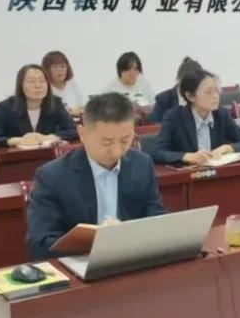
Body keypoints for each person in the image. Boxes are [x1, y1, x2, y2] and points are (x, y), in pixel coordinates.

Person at [26, 92, 166, 262]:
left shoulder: (141, 164)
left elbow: (156, 218)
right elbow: (41, 243)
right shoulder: (52, 177)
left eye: (125, 140)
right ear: (83, 134)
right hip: (81, 264)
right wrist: (101, 240)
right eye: (107, 142)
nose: (116, 151)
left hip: (132, 260)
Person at [150, 69, 240, 165]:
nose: (215, 96)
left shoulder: (221, 115)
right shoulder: (174, 117)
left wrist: (226, 148)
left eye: (216, 90)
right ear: (190, 96)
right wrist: (187, 156)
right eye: (208, 92)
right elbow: (158, 152)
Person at [0, 64, 78, 147]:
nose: (38, 86)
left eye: (42, 81)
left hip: (48, 154)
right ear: (21, 86)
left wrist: (48, 137)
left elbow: (74, 130)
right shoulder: (5, 107)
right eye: (32, 81)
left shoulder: (56, 104)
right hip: (16, 156)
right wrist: (18, 140)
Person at [148, 56, 203, 123]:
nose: (190, 87)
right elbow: (153, 124)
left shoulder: (205, 98)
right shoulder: (163, 99)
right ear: (178, 79)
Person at [41, 51, 86, 118]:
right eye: (55, 67)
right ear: (46, 69)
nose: (60, 70)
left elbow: (86, 108)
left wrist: (79, 110)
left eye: (63, 66)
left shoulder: (73, 83)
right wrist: (69, 112)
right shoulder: (43, 87)